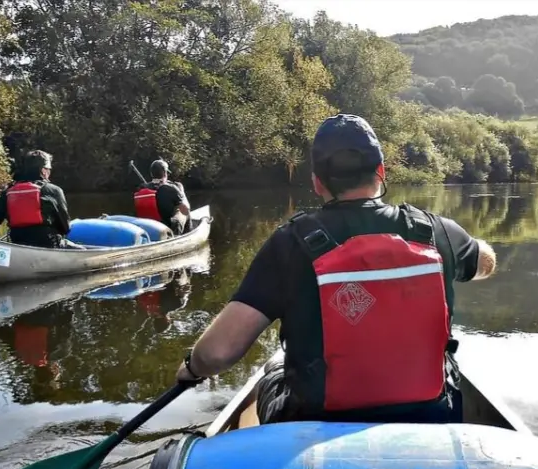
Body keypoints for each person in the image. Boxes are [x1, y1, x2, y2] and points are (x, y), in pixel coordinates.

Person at [175, 114, 498, 425]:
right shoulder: (436, 232)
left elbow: (218, 353)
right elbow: (484, 263)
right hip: (430, 416)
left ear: (317, 183)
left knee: (273, 371)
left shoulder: (290, 244)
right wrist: (465, 247)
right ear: (381, 171)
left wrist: (192, 367)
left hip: (318, 424)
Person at [0, 150, 85, 249]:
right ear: (43, 171)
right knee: (82, 250)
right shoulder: (54, 190)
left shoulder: (9, 192)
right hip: (49, 245)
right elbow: (65, 227)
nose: (49, 172)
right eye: (49, 169)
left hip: (18, 244)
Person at [133, 159, 192, 235]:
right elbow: (186, 210)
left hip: (147, 228)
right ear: (165, 173)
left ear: (151, 174)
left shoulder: (141, 189)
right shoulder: (171, 188)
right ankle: (186, 234)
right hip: (166, 230)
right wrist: (182, 193)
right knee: (183, 213)